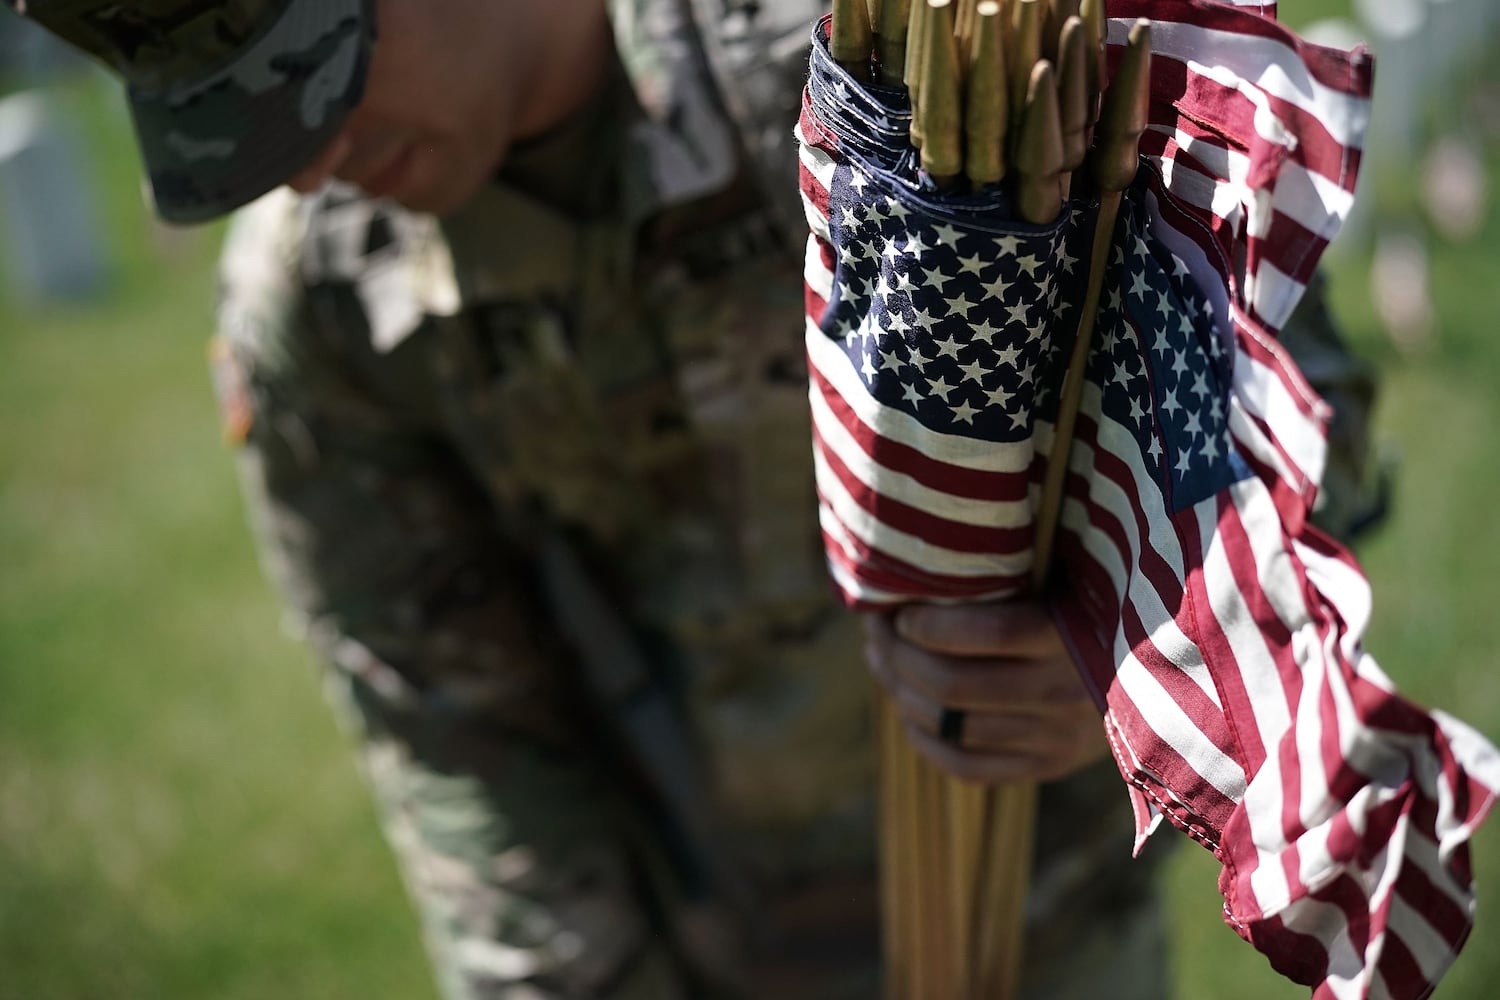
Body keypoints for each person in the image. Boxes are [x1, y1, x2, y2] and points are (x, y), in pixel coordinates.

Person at [5, 1, 1384, 998]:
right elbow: (465, 746)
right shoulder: (321, 306)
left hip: (1050, 923)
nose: (308, 160)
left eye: (323, 75)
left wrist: (1135, 663)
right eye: (244, 125)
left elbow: (1300, 421)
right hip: (706, 948)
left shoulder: (889, 77)